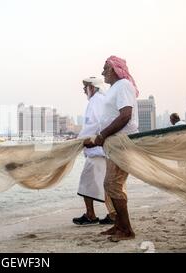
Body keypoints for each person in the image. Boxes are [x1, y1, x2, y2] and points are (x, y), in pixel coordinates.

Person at [85, 55, 139, 242]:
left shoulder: (123, 85)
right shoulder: (114, 88)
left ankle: (127, 230)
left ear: (115, 70)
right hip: (113, 143)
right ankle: (119, 226)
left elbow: (125, 115)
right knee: (112, 184)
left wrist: (102, 135)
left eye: (105, 69)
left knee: (112, 184)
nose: (102, 72)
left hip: (120, 142)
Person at [73, 77, 116, 226]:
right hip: (101, 150)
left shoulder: (96, 100)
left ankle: (92, 215)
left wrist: (79, 140)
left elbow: (95, 123)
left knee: (87, 182)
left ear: (92, 87)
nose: (84, 91)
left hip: (96, 150)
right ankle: (111, 214)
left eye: (85, 88)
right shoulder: (101, 99)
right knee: (105, 183)